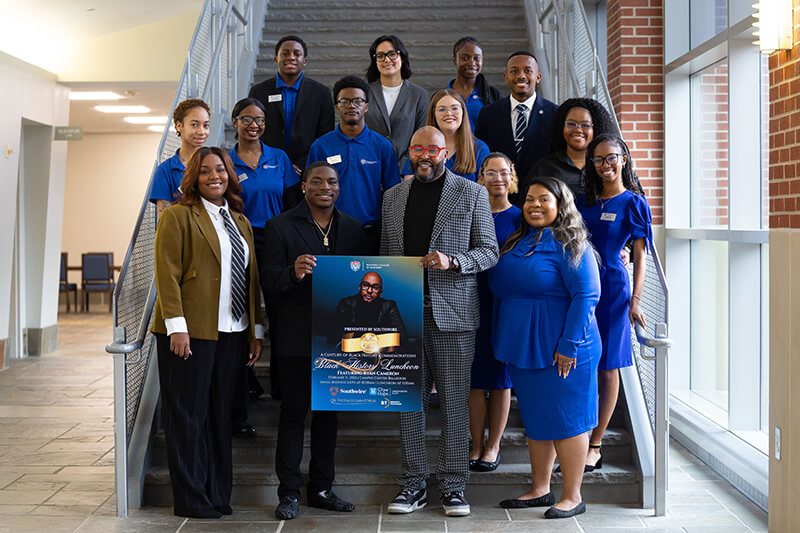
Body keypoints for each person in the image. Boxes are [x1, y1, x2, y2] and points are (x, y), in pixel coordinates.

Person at [381, 126, 499, 517]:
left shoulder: (472, 193)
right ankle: (412, 485)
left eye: (432, 149)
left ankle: (453, 486)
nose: (425, 156)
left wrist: (455, 261)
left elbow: (489, 251)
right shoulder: (393, 197)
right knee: (408, 404)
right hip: (404, 317)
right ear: (410, 153)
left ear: (445, 153)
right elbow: (386, 256)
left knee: (452, 403)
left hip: (454, 315)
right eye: (418, 149)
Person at [151, 146, 264, 519]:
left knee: (219, 417)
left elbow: (250, 281)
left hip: (231, 332)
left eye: (221, 169)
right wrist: (176, 327)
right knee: (187, 417)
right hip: (190, 333)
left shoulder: (239, 221)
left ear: (231, 175)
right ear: (193, 178)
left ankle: (217, 493)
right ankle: (191, 498)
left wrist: (254, 330)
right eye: (205, 171)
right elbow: (166, 273)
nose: (214, 176)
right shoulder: (179, 216)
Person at [260, 162, 373, 521]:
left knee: (328, 416)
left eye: (332, 182)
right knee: (293, 415)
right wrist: (292, 273)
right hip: (296, 339)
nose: (326, 187)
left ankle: (322, 489)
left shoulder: (355, 228)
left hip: (339, 342)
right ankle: (289, 493)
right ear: (304, 186)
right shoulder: (280, 227)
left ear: (340, 187)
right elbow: (268, 282)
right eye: (317, 181)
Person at [490, 176, 601, 519]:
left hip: (564, 347)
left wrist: (569, 345)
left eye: (543, 200)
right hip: (524, 346)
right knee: (537, 420)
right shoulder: (517, 240)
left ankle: (572, 495)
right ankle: (540, 489)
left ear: (560, 206)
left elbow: (587, 295)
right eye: (529, 200)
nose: (535, 205)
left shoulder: (572, 243)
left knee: (568, 421)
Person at [578, 133, 652, 472]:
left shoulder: (634, 202)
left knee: (608, 366)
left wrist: (636, 300)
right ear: (591, 164)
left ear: (623, 159)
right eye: (598, 160)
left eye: (611, 158)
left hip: (614, 290)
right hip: (581, 287)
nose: (605, 165)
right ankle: (578, 435)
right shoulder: (584, 202)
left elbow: (640, 255)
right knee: (583, 363)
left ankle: (595, 444)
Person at [227, 97, 298, 434]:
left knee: (280, 309)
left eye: (259, 120)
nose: (253, 125)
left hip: (275, 240)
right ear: (235, 122)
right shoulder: (225, 160)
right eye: (246, 119)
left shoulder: (279, 158)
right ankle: (248, 379)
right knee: (242, 310)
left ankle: (283, 384)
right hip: (239, 238)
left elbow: (289, 202)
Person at [468, 153, 520, 473]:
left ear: (511, 178)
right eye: (491, 173)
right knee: (475, 380)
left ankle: (493, 445)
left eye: (504, 173)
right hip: (473, 302)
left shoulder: (521, 217)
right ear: (481, 177)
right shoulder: (472, 212)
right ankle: (475, 444)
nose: (497, 178)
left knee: (500, 380)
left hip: (507, 305)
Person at [307, 75, 400, 231]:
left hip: (371, 229)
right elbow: (311, 192)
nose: (351, 106)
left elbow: (393, 193)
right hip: (330, 229)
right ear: (337, 107)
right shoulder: (320, 146)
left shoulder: (382, 146)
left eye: (358, 101)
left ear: (366, 106)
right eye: (344, 101)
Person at [474, 52, 558, 201]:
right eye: (514, 71)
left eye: (528, 71)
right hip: (499, 200)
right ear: (506, 77)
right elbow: (482, 158)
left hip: (541, 199)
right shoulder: (488, 114)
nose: (521, 76)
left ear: (538, 77)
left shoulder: (555, 114)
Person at [248, 35, 335, 175]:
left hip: (307, 170)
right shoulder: (259, 91)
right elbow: (253, 131)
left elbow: (325, 136)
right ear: (276, 59)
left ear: (304, 61)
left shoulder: (321, 93)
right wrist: (271, 163)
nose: (291, 57)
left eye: (297, 54)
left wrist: (301, 165)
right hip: (267, 167)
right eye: (285, 53)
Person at [526, 97, 615, 198]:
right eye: (571, 124)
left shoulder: (608, 166)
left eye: (585, 125)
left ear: (597, 128)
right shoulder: (544, 168)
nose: (578, 130)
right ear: (561, 126)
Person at [364, 35, 430, 172]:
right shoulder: (364, 93)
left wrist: (403, 170)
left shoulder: (419, 95)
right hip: (368, 170)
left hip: (406, 174)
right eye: (380, 55)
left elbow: (421, 137)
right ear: (374, 61)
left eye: (392, 54)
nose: (387, 60)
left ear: (403, 57)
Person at [400, 89, 490, 182]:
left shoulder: (480, 149)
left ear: (463, 112)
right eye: (442, 109)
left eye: (454, 108)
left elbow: (484, 189)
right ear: (433, 114)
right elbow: (410, 185)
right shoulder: (419, 147)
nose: (449, 113)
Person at [149, 98, 210, 216]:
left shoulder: (215, 164)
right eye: (194, 125)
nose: (201, 131)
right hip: (182, 232)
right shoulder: (165, 170)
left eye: (206, 125)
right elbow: (164, 218)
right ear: (179, 126)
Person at [331, 271, 408, 348]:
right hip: (351, 354)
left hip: (379, 354)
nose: (369, 291)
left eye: (375, 287)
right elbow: (333, 336)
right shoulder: (346, 304)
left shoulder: (389, 306)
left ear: (380, 293)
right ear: (359, 287)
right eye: (365, 285)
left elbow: (402, 337)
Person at [447, 37, 502, 132]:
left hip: (484, 147)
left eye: (476, 58)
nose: (472, 62)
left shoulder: (493, 94)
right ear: (455, 60)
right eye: (465, 58)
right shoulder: (443, 95)